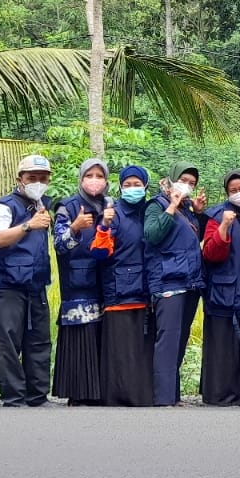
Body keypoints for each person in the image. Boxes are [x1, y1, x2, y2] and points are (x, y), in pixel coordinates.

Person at [0, 153, 56, 407]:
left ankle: (37, 396)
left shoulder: (43, 205)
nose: (38, 182)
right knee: (8, 344)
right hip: (6, 286)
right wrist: (28, 225)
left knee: (39, 341)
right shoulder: (4, 207)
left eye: (43, 178)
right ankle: (13, 397)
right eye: (32, 177)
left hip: (35, 284)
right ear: (20, 179)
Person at [144, 164, 208, 407]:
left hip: (190, 282)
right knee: (167, 339)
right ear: (170, 180)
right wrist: (171, 205)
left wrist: (199, 214)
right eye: (183, 180)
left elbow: (189, 240)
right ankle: (163, 398)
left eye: (191, 183)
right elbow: (152, 235)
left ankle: (174, 395)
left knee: (180, 339)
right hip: (167, 281)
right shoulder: (156, 205)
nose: (187, 185)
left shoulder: (189, 210)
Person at [51, 160, 111, 405]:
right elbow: (59, 245)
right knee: (80, 339)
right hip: (77, 282)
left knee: (103, 337)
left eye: (100, 175)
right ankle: (78, 393)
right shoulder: (67, 206)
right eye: (90, 175)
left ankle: (101, 392)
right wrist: (75, 228)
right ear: (81, 178)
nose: (95, 180)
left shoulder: (110, 205)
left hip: (106, 281)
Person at [202, 170, 240, 407]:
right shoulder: (216, 215)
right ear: (227, 193)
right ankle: (221, 395)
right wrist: (224, 228)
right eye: (233, 190)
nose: (239, 194)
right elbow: (210, 254)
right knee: (223, 344)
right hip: (224, 290)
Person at [98, 166, 155, 406]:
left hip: (148, 291)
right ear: (120, 187)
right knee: (120, 350)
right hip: (118, 291)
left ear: (146, 186)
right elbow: (100, 252)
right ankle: (117, 399)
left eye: (137, 184)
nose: (133, 189)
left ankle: (143, 397)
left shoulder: (153, 211)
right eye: (128, 185)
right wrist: (103, 225)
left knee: (143, 350)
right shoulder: (113, 213)